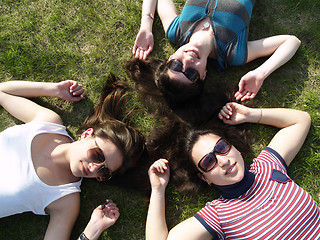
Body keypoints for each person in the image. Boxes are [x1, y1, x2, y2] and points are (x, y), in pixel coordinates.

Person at [0, 75, 146, 240]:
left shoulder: (65, 200)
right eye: (97, 155)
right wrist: (54, 89)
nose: (93, 169)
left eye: (104, 171)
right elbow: (2, 91)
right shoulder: (49, 123)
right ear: (86, 134)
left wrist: (92, 231)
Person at [146, 102, 320, 239]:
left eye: (222, 147)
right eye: (208, 162)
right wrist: (158, 190)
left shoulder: (268, 165)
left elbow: (300, 120)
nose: (222, 161)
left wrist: (251, 115)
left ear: (234, 147)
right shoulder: (218, 215)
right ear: (205, 178)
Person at [128, 0, 301, 106]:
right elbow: (292, 41)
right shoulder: (233, 52)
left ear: (170, 59)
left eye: (176, 65)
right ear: (203, 75)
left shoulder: (176, 31)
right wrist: (260, 73)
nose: (187, 61)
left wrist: (146, 26)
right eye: (190, 73)